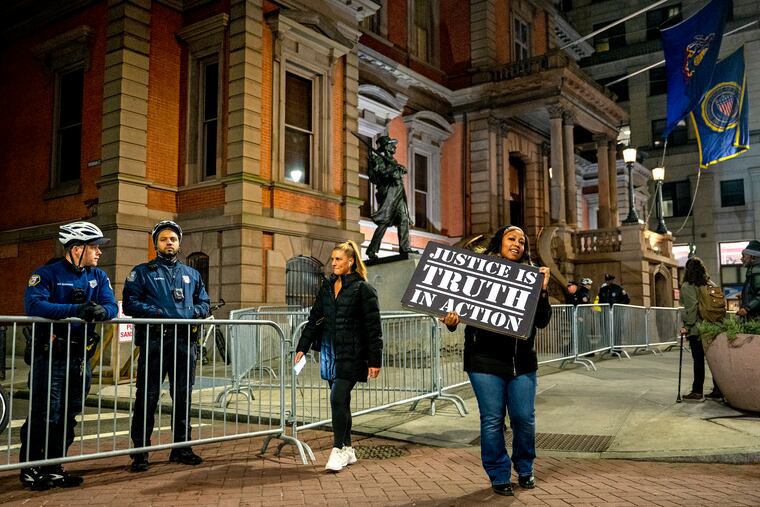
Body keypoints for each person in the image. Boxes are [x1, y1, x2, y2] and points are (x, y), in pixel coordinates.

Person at [442, 225, 551, 496]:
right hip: (484, 360)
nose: (517, 244)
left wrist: (543, 291)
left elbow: (542, 320)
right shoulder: (477, 273)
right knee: (492, 420)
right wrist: (452, 321)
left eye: (522, 242)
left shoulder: (532, 277)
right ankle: (499, 474)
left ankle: (525, 468)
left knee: (524, 418)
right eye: (511, 238)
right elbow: (456, 309)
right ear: (499, 243)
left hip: (522, 362)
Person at [20, 221, 118, 490]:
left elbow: (111, 304)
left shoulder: (98, 277)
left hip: (80, 357)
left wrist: (102, 312)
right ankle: (29, 467)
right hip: (50, 354)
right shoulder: (46, 274)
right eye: (94, 247)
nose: (99, 252)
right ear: (76, 248)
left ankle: (54, 466)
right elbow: (34, 304)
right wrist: (76, 309)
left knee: (69, 413)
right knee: (44, 412)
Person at [123, 220, 210, 472]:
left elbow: (204, 303)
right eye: (163, 239)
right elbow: (130, 304)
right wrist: (160, 312)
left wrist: (194, 311)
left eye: (173, 238)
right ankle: (140, 452)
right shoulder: (141, 272)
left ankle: (182, 448)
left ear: (179, 243)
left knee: (182, 396)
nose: (169, 242)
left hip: (184, 344)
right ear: (156, 244)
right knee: (147, 397)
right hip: (154, 343)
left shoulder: (192, 274)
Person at [294, 240, 383, 472]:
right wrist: (302, 347)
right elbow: (314, 320)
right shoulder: (327, 286)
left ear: (351, 262)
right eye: (332, 259)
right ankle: (350, 449)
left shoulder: (363, 289)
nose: (333, 263)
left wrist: (375, 360)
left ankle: (338, 450)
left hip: (352, 354)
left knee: (336, 398)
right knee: (341, 401)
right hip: (329, 354)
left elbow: (373, 328)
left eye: (338, 259)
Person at [679, 257, 722, 401]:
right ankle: (718, 390)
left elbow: (691, 309)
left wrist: (687, 325)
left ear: (687, 270)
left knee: (698, 360)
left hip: (698, 329)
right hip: (713, 326)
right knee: (714, 360)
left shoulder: (688, 285)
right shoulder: (710, 283)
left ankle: (697, 391)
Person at [364, 136, 413, 259]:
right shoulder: (378, 159)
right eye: (392, 144)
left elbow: (395, 175)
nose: (394, 147)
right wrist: (393, 171)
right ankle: (372, 249)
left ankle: (405, 248)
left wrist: (399, 170)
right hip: (389, 193)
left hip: (399, 192)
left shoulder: (393, 161)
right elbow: (379, 176)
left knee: (404, 220)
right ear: (386, 146)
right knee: (384, 221)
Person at [737, 240, 760, 320]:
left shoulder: (757, 271)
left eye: (743, 256)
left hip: (755, 317)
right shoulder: (753, 270)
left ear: (753, 257)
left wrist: (747, 308)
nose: (741, 259)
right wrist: (745, 295)